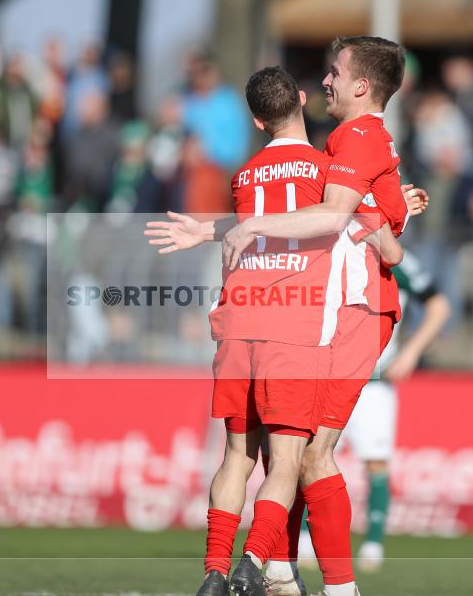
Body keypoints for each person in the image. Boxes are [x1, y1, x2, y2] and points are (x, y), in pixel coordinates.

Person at [148, 36, 419, 596]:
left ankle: (312, 581)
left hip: (349, 308)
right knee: (292, 452)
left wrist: (245, 226)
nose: (326, 80)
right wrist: (390, 216)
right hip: (318, 311)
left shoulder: (350, 141)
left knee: (300, 454)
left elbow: (343, 220)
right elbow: (354, 219)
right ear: (296, 100)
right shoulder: (336, 149)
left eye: (335, 72)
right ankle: (280, 571)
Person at [297, 250, 450, 571]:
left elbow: (438, 305)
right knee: (309, 456)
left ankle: (373, 544)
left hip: (374, 382)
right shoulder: (330, 251)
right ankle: (305, 539)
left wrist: (411, 353)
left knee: (376, 462)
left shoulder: (396, 260)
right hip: (328, 377)